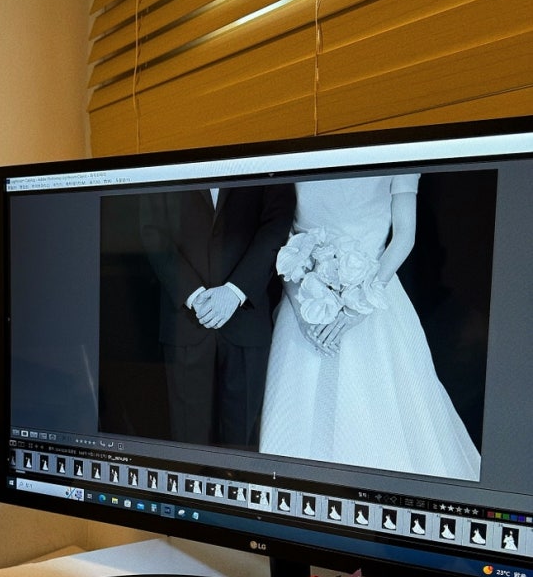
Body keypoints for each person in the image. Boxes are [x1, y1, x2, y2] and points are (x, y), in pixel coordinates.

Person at [259, 174, 481, 481]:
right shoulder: (297, 156)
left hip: (372, 294)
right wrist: (301, 306)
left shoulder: (398, 153)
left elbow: (404, 236)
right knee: (297, 420)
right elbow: (281, 234)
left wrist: (357, 306)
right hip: (305, 297)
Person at [139, 183, 295, 448]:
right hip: (186, 320)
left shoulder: (262, 162)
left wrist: (235, 291)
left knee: (242, 445)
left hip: (247, 320)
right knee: (188, 444)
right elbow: (152, 229)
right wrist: (192, 293)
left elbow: (277, 221)